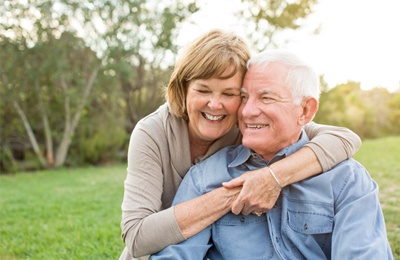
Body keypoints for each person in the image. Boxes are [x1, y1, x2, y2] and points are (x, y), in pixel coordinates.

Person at [120, 30, 362, 260]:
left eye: (230, 94)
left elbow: (344, 139)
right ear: (183, 89)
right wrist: (239, 191)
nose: (215, 105)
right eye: (203, 90)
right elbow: (137, 236)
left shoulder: (249, 124)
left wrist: (272, 177)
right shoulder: (152, 132)